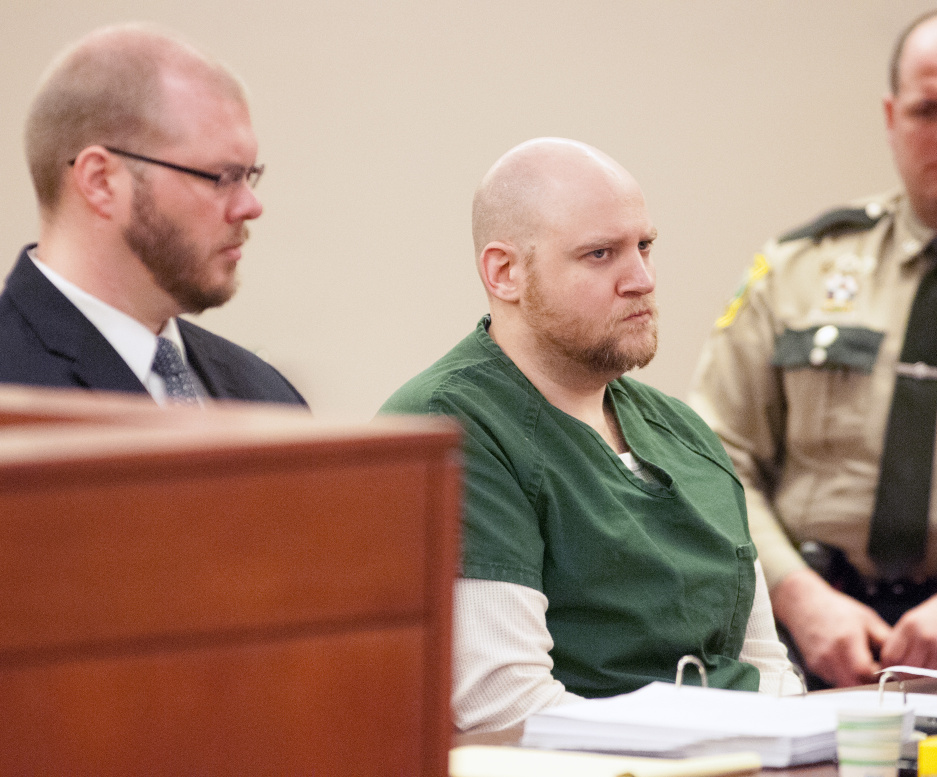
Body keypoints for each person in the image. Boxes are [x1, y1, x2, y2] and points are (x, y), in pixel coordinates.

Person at [380, 137, 799, 733]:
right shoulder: (451, 428)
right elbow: (506, 711)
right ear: (505, 273)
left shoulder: (683, 432)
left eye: (645, 247)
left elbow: (769, 672)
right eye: (600, 254)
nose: (641, 279)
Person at [689, 7, 937, 689]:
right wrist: (797, 596)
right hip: (810, 639)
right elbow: (711, 456)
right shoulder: (800, 268)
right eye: (928, 109)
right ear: (892, 117)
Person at [0, 24, 306, 407]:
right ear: (101, 181)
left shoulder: (266, 395)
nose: (251, 206)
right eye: (223, 177)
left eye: (249, 176)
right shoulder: (13, 394)